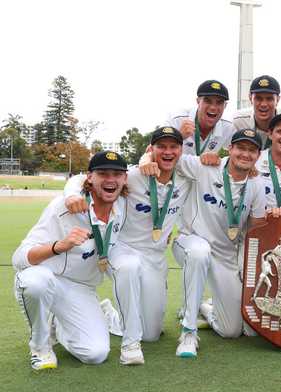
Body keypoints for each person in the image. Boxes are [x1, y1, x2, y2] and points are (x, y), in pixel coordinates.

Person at [63, 127, 194, 363]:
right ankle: (130, 345)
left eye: (173, 146)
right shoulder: (132, 175)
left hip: (155, 257)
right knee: (129, 267)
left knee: (152, 334)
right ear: (150, 150)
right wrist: (71, 194)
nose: (167, 151)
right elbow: (81, 178)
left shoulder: (185, 181)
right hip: (123, 249)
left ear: (181, 150)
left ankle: (109, 315)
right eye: (161, 146)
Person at [141, 128, 266, 340]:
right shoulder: (204, 166)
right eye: (241, 148)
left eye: (251, 151)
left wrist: (246, 268)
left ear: (258, 156)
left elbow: (255, 231)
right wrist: (145, 160)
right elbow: (162, 155)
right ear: (230, 149)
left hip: (226, 256)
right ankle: (189, 330)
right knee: (200, 252)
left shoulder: (257, 184)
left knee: (232, 331)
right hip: (191, 242)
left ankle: (204, 308)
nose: (245, 154)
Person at [12, 151, 128, 370]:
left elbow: (153, 165)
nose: (111, 179)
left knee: (96, 354)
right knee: (34, 284)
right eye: (103, 173)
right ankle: (40, 346)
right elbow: (19, 258)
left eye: (117, 174)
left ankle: (60, 323)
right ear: (90, 178)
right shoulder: (63, 207)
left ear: (125, 179)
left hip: (81, 288)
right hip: (48, 279)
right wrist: (59, 246)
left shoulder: (123, 207)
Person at [165, 79, 235, 156]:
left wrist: (220, 162)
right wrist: (178, 138)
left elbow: (241, 153)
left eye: (219, 102)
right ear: (198, 101)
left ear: (225, 105)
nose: (213, 107)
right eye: (208, 101)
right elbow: (152, 150)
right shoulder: (177, 120)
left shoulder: (228, 128)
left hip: (203, 168)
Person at [233, 75, 281, 150]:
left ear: (278, 99)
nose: (263, 104)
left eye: (269, 99)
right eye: (258, 98)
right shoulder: (238, 121)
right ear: (250, 98)